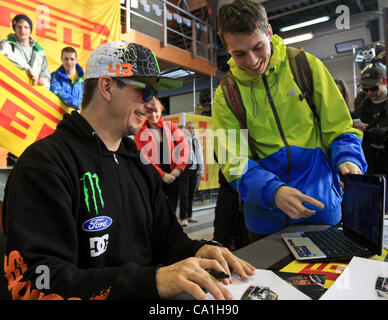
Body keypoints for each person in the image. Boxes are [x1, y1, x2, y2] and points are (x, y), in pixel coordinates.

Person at [2, 41, 255, 300]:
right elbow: (37, 280)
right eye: (146, 92)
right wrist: (150, 281)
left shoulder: (139, 164)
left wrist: (197, 251)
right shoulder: (44, 166)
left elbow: (167, 239)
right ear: (107, 86)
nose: (152, 105)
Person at [213, 0, 367, 241]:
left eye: (258, 47)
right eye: (239, 53)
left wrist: (349, 158)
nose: (253, 61)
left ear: (270, 32)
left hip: (322, 208)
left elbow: (340, 129)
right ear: (228, 49)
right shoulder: (226, 94)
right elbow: (233, 162)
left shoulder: (306, 66)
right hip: (266, 221)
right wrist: (272, 192)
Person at [134, 98, 188, 213]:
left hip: (173, 175)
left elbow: (184, 146)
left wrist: (177, 170)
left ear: (161, 110)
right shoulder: (139, 133)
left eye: (156, 111)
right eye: (149, 112)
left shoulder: (171, 126)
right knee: (155, 210)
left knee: (171, 209)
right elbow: (144, 158)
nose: (153, 115)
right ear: (144, 113)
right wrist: (162, 175)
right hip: (154, 177)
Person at [0, 14, 50, 89]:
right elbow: (4, 54)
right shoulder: (6, 44)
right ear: (14, 29)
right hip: (12, 89)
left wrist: (44, 83)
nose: (22, 30)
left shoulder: (40, 52)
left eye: (26, 27)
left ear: (30, 30)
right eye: (19, 27)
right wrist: (28, 68)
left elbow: (46, 78)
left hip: (29, 95)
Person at [356, 63, 388, 176]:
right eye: (365, 90)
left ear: (384, 82)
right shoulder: (361, 109)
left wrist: (371, 131)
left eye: (374, 88)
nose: (369, 93)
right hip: (370, 166)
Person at [178, 121, 204, 227]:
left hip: (194, 169)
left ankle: (189, 215)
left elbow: (199, 154)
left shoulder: (196, 139)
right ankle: (183, 217)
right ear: (185, 128)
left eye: (193, 128)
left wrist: (201, 169)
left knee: (191, 193)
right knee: (184, 194)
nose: (191, 130)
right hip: (185, 169)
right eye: (189, 128)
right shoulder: (182, 138)